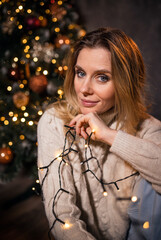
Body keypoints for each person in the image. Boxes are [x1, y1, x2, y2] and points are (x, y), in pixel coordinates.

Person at [37, 27, 161, 240]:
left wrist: (109, 135)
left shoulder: (147, 127)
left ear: (126, 82)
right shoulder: (54, 122)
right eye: (80, 73)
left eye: (102, 77)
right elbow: (61, 214)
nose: (84, 88)